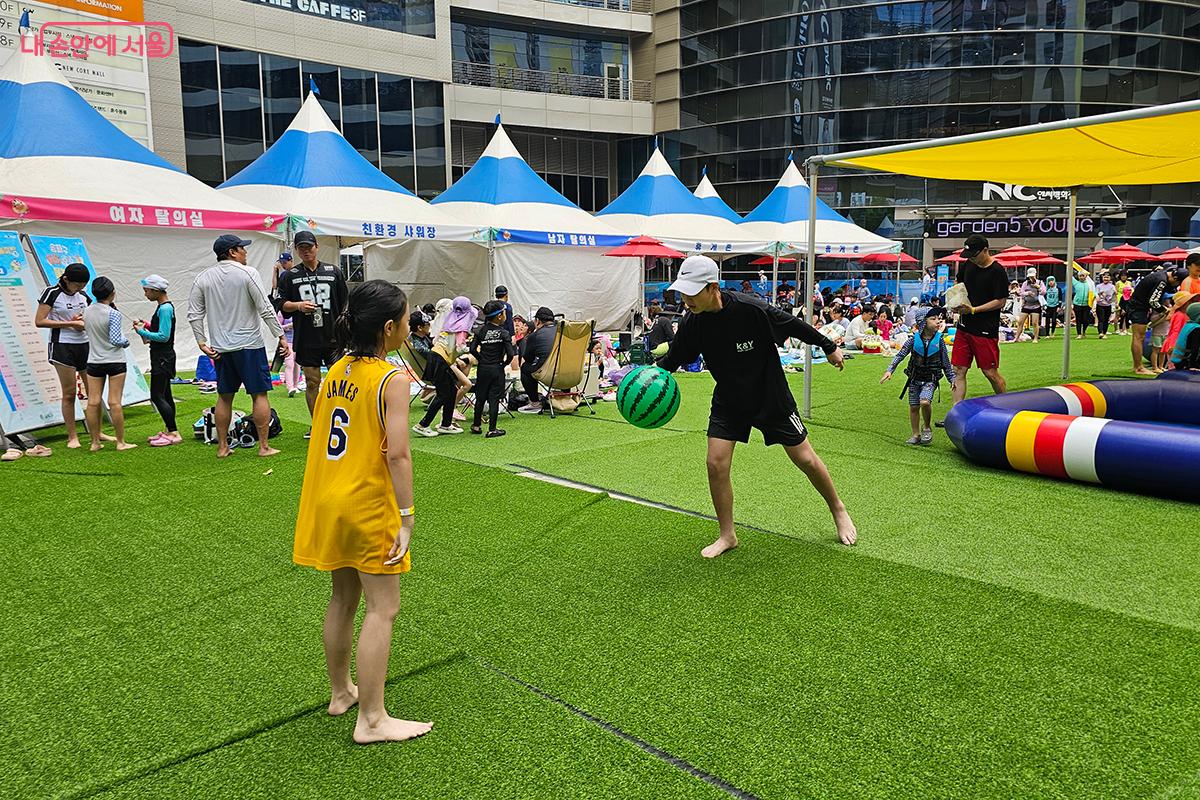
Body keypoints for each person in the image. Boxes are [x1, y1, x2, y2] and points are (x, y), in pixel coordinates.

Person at [292, 279, 432, 745]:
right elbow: (398, 454)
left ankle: (341, 693)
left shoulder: (336, 370)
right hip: (367, 504)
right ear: (389, 328)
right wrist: (407, 515)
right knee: (383, 608)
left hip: (330, 499)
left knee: (343, 598)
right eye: (408, 319)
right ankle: (372, 719)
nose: (411, 326)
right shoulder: (391, 379)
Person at [656, 255, 856, 558]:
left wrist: (829, 347)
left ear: (713, 287)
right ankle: (728, 535)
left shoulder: (752, 310)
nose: (686, 299)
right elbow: (674, 359)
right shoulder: (692, 322)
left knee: (805, 459)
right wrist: (649, 375)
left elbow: (795, 326)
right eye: (682, 291)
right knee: (715, 463)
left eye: (692, 292)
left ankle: (838, 509)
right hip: (729, 399)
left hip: (770, 396)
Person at [188, 234, 289, 458]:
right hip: (250, 346)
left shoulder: (203, 278)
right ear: (232, 252)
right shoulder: (248, 273)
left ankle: (222, 447)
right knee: (259, 395)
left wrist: (201, 342)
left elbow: (194, 314)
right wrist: (280, 336)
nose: (246, 252)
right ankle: (264, 447)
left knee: (224, 396)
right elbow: (265, 307)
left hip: (221, 348)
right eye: (242, 248)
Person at [275, 231, 349, 436]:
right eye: (301, 248)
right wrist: (298, 305)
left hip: (333, 337)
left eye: (309, 246)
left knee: (338, 383)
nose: (306, 251)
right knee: (312, 382)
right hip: (307, 338)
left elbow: (345, 303)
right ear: (297, 250)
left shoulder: (333, 271)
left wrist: (346, 332)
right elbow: (280, 304)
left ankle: (339, 421)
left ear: (317, 246)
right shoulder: (290, 276)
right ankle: (317, 423)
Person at [35, 262, 92, 449]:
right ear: (66, 279)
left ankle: (96, 432)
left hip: (84, 345)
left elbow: (92, 314)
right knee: (69, 394)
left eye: (83, 285)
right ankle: (72, 436)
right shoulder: (52, 293)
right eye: (77, 285)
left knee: (93, 392)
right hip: (62, 346)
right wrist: (70, 324)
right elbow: (40, 321)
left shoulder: (83, 295)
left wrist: (82, 321)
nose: (80, 288)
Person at [881, 306, 955, 445]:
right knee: (914, 407)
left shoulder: (939, 341)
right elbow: (900, 355)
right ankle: (916, 434)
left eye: (938, 319)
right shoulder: (913, 340)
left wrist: (952, 379)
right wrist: (889, 370)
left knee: (925, 401)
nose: (938, 322)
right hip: (914, 379)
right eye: (933, 319)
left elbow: (946, 362)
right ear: (923, 323)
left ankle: (926, 427)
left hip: (930, 379)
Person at [949, 235, 1008, 408]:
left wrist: (974, 310)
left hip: (985, 329)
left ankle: (1007, 407)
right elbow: (958, 283)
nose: (971, 258)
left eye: (974, 255)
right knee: (958, 370)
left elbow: (1000, 301)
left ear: (985, 250)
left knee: (990, 372)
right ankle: (956, 411)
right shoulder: (968, 264)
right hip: (964, 327)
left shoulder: (997, 271)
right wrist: (955, 299)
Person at [81, 277, 135, 452]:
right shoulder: (113, 313)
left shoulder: (87, 311)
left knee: (93, 402)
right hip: (115, 361)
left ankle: (95, 442)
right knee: (115, 402)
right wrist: (126, 341)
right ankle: (121, 442)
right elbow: (115, 340)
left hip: (94, 361)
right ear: (112, 293)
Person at [132, 274, 181, 446]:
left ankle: (174, 432)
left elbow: (163, 335)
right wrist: (146, 324)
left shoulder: (165, 309)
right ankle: (170, 430)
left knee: (157, 395)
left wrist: (142, 332)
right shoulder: (163, 308)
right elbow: (161, 328)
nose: (145, 294)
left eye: (146, 291)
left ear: (155, 290)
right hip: (162, 357)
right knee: (166, 394)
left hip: (162, 357)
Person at [469, 300, 516, 438]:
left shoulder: (480, 331)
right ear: (499, 316)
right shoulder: (504, 333)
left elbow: (472, 349)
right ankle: (492, 429)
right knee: (494, 398)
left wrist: (481, 358)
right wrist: (503, 364)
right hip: (496, 368)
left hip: (483, 368)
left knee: (480, 397)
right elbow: (511, 354)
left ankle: (476, 425)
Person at [1126, 266, 1185, 375]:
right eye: (1178, 283)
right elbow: (1153, 301)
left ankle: (1137, 366)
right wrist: (1164, 309)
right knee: (1138, 337)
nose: (1176, 286)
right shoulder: (1161, 281)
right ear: (1175, 278)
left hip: (1138, 306)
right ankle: (1138, 367)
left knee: (1139, 337)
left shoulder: (1161, 276)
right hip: (1137, 307)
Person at [518, 307, 557, 414]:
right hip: (572, 373)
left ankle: (535, 403)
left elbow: (528, 359)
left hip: (548, 372)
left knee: (525, 368)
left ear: (538, 321)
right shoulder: (563, 331)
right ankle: (565, 397)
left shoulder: (534, 335)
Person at [1013, 268, 1044, 343]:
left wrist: (1038, 288)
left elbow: (1043, 292)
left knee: (1034, 322)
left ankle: (1035, 338)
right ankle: (1016, 338)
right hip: (1026, 305)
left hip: (1036, 305)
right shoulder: (1025, 283)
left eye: (1032, 276)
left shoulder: (1040, 282)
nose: (1031, 278)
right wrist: (1028, 293)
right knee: (1020, 322)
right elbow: (1021, 293)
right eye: (1030, 277)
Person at [1169, 301, 1200, 370]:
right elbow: (1195, 349)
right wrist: (1192, 365)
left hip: (1180, 362)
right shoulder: (1197, 329)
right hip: (1185, 363)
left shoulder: (1188, 325)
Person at [1093, 271, 1117, 339]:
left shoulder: (1112, 286)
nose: (1106, 279)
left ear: (1110, 278)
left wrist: (1115, 303)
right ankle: (1100, 332)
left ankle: (1104, 332)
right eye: (1104, 277)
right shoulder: (1099, 286)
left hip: (1108, 305)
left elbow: (1114, 296)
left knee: (1106, 320)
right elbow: (1096, 294)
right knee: (1101, 319)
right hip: (1100, 305)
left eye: (1107, 277)